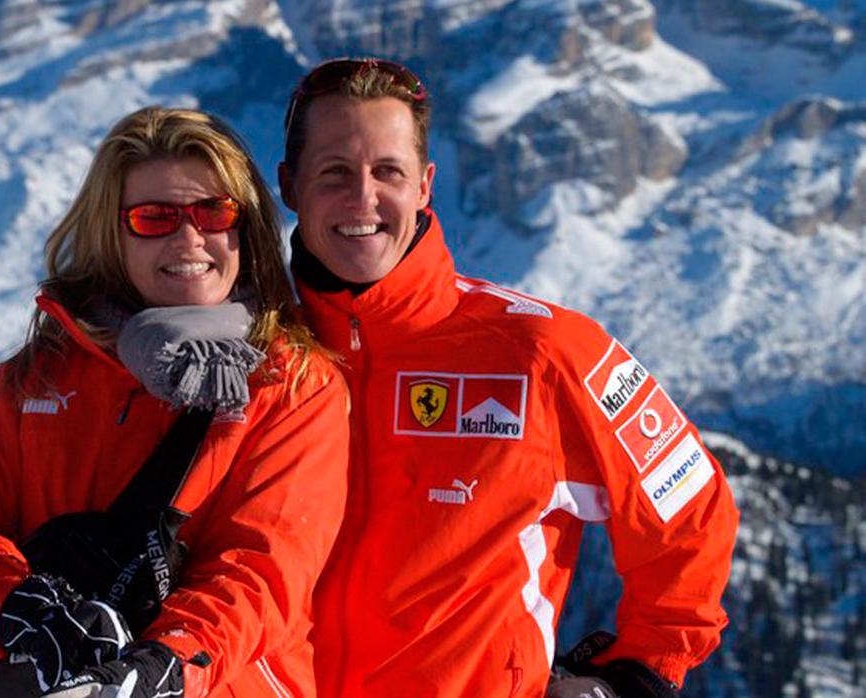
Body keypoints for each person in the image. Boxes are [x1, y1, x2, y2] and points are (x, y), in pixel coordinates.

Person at [277, 58, 739, 697]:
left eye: (388, 171)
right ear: (289, 185)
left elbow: (690, 506)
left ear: (425, 185)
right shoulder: (261, 354)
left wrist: (639, 673)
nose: (363, 198)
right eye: (334, 172)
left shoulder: (540, 350)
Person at [0, 106, 349, 698]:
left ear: (244, 228)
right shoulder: (37, 381)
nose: (189, 238)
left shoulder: (291, 384)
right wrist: (17, 608)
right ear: (114, 234)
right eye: (154, 218)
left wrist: (166, 664)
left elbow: (263, 569)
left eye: (214, 212)